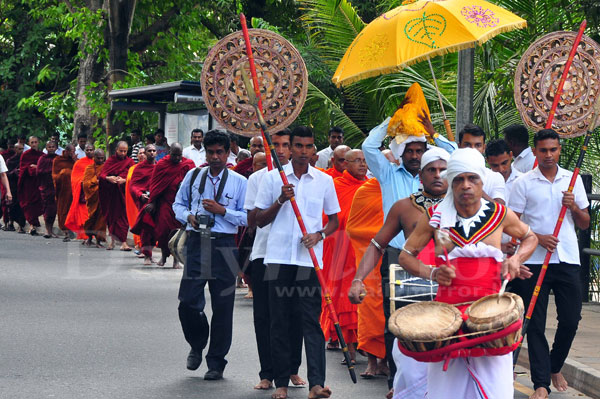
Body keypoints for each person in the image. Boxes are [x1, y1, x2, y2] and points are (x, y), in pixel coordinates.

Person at [396, 148, 537, 399]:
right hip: (447, 317)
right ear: (451, 182)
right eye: (459, 179)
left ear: (482, 181)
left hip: (492, 316)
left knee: (495, 389)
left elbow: (530, 237)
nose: (466, 185)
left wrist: (516, 259)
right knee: (446, 389)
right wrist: (432, 273)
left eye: (472, 179)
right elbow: (405, 256)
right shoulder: (435, 217)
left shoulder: (500, 214)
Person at [363, 109, 455, 390]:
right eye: (410, 151)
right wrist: (389, 123)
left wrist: (434, 133)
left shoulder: (447, 185)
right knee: (398, 321)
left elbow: (461, 159)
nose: (415, 155)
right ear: (401, 154)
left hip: (442, 260)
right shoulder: (389, 173)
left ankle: (437, 381)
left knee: (441, 320)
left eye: (420, 150)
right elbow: (368, 146)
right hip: (397, 257)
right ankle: (397, 380)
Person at [348, 147, 449, 397]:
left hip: (453, 290)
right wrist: (358, 279)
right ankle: (399, 387)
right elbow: (377, 244)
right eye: (431, 170)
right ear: (421, 176)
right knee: (403, 350)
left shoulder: (468, 205)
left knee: (448, 358)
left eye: (443, 170)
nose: (437, 175)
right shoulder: (404, 207)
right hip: (409, 290)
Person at [255, 126, 339, 399]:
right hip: (277, 259)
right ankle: (280, 382)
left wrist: (319, 234)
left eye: (309, 146)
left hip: (309, 261)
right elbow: (258, 220)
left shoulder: (324, 180)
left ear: (314, 149)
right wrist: (281, 199)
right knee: (278, 321)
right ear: (289, 148)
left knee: (310, 322)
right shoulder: (271, 179)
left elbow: (335, 220)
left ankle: (317, 383)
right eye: (299, 146)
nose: (304, 151)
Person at [509, 129, 590, 399]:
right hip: (533, 260)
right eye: (543, 150)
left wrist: (574, 207)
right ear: (535, 152)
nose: (548, 155)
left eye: (553, 150)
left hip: (566, 258)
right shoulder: (523, 183)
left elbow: (584, 223)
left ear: (559, 150)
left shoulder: (572, 180)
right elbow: (513, 225)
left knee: (570, 319)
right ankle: (541, 384)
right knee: (534, 321)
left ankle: (555, 366)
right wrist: (537, 237)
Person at [173, 130, 247, 380]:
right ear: (205, 152)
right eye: (210, 152)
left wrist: (222, 210)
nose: (215, 157)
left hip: (225, 244)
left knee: (223, 307)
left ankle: (216, 362)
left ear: (228, 153)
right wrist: (187, 217)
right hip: (197, 242)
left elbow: (248, 217)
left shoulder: (239, 182)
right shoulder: (193, 175)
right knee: (188, 301)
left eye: (219, 152)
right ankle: (197, 342)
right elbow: (178, 204)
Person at [243, 129, 306, 391]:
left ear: (291, 148)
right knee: (266, 316)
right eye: (275, 145)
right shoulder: (259, 178)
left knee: (295, 313)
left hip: (296, 256)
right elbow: (251, 221)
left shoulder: (306, 178)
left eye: (284, 145)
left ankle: (292, 369)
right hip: (264, 254)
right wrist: (277, 200)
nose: (280, 150)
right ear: (267, 149)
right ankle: (267, 372)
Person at [320, 149, 368, 365]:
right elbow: (329, 218)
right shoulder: (336, 186)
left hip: (365, 250)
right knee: (342, 297)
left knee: (368, 298)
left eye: (365, 161)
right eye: (357, 161)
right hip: (341, 249)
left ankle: (364, 342)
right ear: (345, 164)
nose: (362, 165)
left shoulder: (370, 188)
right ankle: (348, 346)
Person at [345, 177, 388, 382]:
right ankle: (372, 361)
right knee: (369, 307)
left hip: (396, 255)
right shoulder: (365, 191)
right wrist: (380, 236)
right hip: (370, 256)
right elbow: (353, 227)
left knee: (392, 309)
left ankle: (386, 362)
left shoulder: (402, 186)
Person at [145, 143, 195, 267]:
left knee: (177, 231)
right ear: (169, 152)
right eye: (174, 155)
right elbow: (155, 186)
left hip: (182, 204)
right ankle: (163, 256)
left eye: (179, 155)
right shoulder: (162, 165)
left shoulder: (188, 164)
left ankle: (176, 260)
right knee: (163, 231)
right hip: (165, 203)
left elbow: (194, 184)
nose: (177, 158)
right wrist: (152, 202)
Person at [485, 139, 523, 255]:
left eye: (504, 163)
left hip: (519, 249)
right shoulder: (481, 182)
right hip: (489, 249)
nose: (501, 169)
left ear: (511, 155)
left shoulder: (523, 181)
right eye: (495, 165)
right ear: (487, 161)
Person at [98, 141, 134, 250]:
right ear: (116, 150)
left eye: (125, 151)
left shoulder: (130, 162)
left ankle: (123, 242)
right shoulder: (110, 161)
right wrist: (108, 178)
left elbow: (132, 176)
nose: (123, 153)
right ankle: (112, 241)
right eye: (121, 151)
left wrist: (124, 180)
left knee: (123, 218)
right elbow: (102, 175)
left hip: (123, 195)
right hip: (111, 194)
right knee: (112, 217)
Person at [457, 123, 505, 203]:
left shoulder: (495, 177)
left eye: (478, 145)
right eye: (467, 145)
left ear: (483, 148)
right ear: (459, 146)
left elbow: (500, 209)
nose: (473, 149)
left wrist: (477, 189)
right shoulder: (448, 174)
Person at [128, 146, 154, 263]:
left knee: (156, 228)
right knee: (146, 228)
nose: (151, 153)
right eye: (149, 151)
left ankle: (151, 252)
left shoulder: (159, 167)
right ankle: (147, 255)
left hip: (156, 201)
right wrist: (140, 195)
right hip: (144, 200)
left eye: (154, 151)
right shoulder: (139, 168)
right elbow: (133, 185)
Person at [65, 143, 94, 239]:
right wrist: (82, 182)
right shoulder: (79, 163)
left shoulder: (97, 163)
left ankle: (91, 236)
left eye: (91, 150)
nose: (89, 151)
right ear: (84, 151)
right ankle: (84, 235)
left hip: (93, 194)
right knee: (83, 215)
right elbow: (74, 179)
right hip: (82, 194)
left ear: (94, 150)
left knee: (92, 216)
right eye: (87, 150)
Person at [18, 136, 44, 235]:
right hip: (28, 184)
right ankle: (32, 225)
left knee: (38, 203)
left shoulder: (42, 155)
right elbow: (23, 169)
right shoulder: (25, 155)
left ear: (39, 143)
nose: (34, 144)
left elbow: (45, 168)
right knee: (29, 204)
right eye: (32, 142)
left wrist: (37, 167)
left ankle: (34, 224)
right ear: (29, 143)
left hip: (38, 184)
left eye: (35, 142)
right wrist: (30, 168)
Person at [82, 149, 107, 247]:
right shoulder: (89, 168)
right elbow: (85, 184)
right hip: (92, 197)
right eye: (98, 158)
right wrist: (95, 181)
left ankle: (98, 241)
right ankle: (89, 238)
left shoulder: (105, 167)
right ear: (94, 158)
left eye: (102, 158)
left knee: (101, 220)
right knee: (90, 218)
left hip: (102, 197)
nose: (100, 160)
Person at [125, 147, 147, 255]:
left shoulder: (153, 167)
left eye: (144, 153)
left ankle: (145, 247)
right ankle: (138, 245)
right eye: (140, 153)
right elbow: (130, 184)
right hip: (134, 199)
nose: (142, 155)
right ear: (137, 156)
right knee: (135, 220)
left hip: (146, 199)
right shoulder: (132, 168)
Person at [52, 144, 76, 241]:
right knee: (62, 211)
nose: (72, 153)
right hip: (62, 191)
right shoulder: (58, 160)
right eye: (71, 151)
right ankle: (66, 232)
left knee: (72, 210)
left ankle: (71, 230)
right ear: (66, 151)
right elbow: (54, 175)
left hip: (73, 191)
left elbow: (80, 173)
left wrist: (75, 162)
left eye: (74, 151)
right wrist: (64, 174)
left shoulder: (75, 161)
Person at [37, 141, 59, 238]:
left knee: (53, 209)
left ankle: (51, 230)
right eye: (49, 147)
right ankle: (47, 230)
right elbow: (38, 171)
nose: (51, 148)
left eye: (53, 147)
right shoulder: (42, 158)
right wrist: (50, 172)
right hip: (45, 187)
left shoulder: (58, 159)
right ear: (46, 148)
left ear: (56, 148)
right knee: (46, 209)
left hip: (56, 187)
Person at [4, 143, 26, 232]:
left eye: (22, 149)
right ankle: (11, 223)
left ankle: (21, 226)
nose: (21, 151)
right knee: (12, 206)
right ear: (15, 149)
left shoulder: (24, 160)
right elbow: (6, 174)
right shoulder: (10, 161)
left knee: (22, 206)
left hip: (22, 186)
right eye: (19, 149)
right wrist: (14, 172)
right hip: (13, 186)